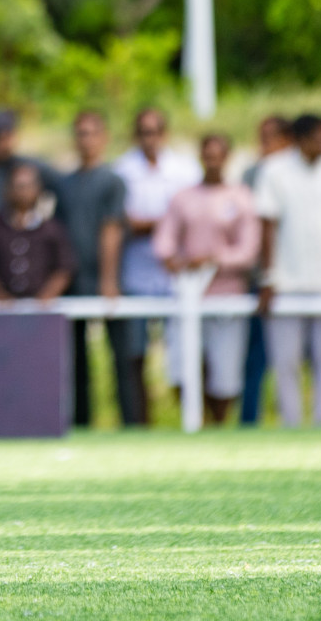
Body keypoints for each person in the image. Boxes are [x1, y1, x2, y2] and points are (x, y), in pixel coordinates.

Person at [255, 113, 321, 428]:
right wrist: (268, 278)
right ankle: (292, 425)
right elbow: (267, 227)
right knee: (286, 363)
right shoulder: (275, 170)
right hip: (287, 285)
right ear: (300, 139)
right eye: (318, 137)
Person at [153, 134, 260, 423]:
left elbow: (248, 251)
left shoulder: (240, 197)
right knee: (182, 366)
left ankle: (218, 423)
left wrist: (214, 259)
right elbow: (165, 242)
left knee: (225, 372)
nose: (212, 162)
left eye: (218, 155)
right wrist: (175, 261)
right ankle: (194, 420)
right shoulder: (183, 198)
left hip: (227, 296)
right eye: (207, 155)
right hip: (188, 296)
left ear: (227, 157)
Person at [112, 108, 201, 426]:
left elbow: (192, 220)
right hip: (135, 274)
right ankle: (141, 424)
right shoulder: (122, 169)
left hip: (176, 276)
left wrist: (152, 225)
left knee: (184, 354)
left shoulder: (185, 169)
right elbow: (123, 223)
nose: (150, 138)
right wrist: (166, 224)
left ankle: (190, 421)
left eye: (155, 131)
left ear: (164, 133)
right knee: (136, 353)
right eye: (143, 132)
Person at [52, 110, 128, 427]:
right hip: (73, 280)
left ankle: (131, 425)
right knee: (76, 362)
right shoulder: (64, 183)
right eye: (80, 133)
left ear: (104, 136)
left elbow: (112, 229)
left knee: (120, 358)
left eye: (92, 132)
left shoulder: (112, 180)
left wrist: (109, 279)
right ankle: (82, 425)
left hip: (106, 281)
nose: (86, 139)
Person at [238, 115, 292, 425]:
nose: (264, 145)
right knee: (255, 357)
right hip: (261, 279)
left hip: (298, 279)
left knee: (313, 357)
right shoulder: (252, 173)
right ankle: (249, 421)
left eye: (271, 137)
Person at [0, 163, 75, 301]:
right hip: (2, 310)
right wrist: (0, 296)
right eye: (18, 186)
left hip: (41, 311)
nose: (22, 192)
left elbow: (64, 268)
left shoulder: (51, 229)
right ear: (7, 189)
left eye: (28, 186)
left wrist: (46, 297)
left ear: (38, 190)